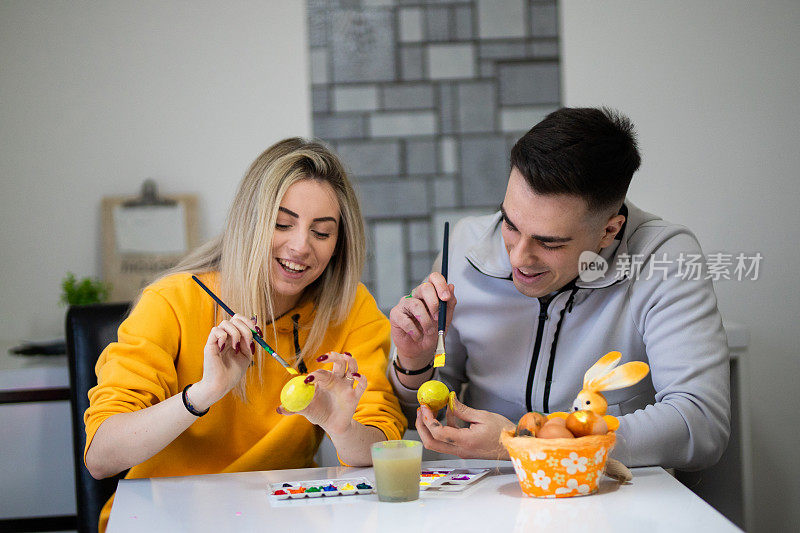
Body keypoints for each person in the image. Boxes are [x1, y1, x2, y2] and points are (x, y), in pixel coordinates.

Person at [84, 138, 406, 531]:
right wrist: (204, 393)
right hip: (162, 518)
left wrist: (338, 425)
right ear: (250, 222)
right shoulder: (171, 301)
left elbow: (380, 450)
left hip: (281, 520)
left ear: (339, 244)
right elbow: (101, 457)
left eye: (322, 233)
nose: (301, 246)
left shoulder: (351, 308)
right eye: (282, 224)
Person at [388, 107, 730, 470]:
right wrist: (413, 361)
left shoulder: (663, 257)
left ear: (609, 231)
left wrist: (529, 445)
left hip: (611, 500)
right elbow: (419, 415)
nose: (519, 257)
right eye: (510, 223)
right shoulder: (465, 245)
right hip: (485, 497)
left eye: (549, 243)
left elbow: (701, 423)